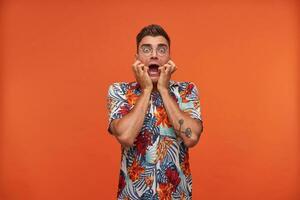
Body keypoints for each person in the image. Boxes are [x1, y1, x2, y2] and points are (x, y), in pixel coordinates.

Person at [106, 24, 203, 200]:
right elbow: (126, 136)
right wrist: (146, 91)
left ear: (169, 58)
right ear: (137, 58)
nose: (154, 55)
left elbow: (191, 137)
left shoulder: (186, 90)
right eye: (146, 49)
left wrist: (164, 91)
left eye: (161, 49)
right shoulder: (119, 91)